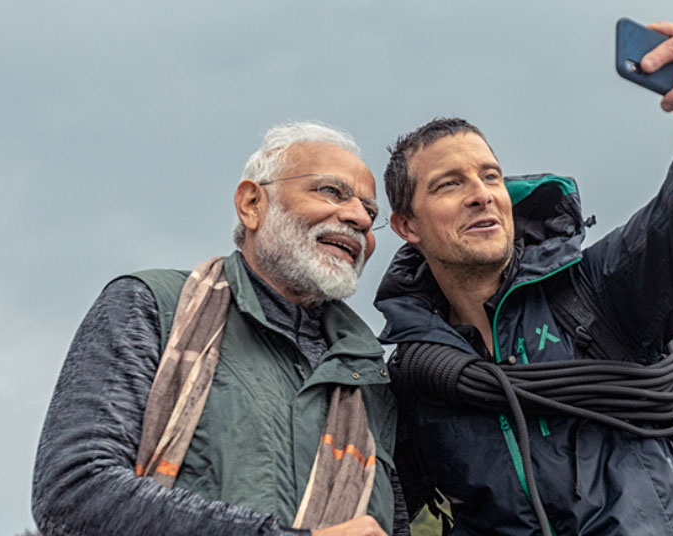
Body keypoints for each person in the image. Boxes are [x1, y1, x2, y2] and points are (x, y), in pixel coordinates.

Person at [374, 21, 673, 535]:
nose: (482, 193)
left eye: (490, 176)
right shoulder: (414, 377)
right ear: (407, 226)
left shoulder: (600, 290)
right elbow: (374, 508)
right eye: (450, 184)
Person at [33, 122, 406, 536]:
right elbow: (74, 494)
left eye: (371, 213)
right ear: (251, 204)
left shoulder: (370, 373)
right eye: (331, 192)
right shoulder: (153, 305)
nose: (358, 218)